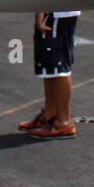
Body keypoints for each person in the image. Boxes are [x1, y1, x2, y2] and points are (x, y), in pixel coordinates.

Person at [19, 10, 80, 139]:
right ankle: (50, 115)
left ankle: (63, 122)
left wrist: (41, 9)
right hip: (57, 9)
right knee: (50, 65)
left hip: (57, 9)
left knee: (58, 63)